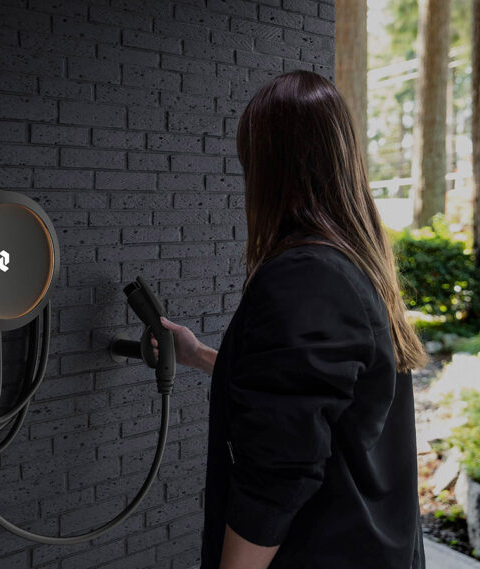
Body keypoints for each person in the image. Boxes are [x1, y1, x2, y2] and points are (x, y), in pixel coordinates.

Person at [151, 70, 428, 569]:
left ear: (270, 170)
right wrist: (201, 357)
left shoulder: (305, 276)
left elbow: (278, 477)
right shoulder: (352, 263)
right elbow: (314, 396)